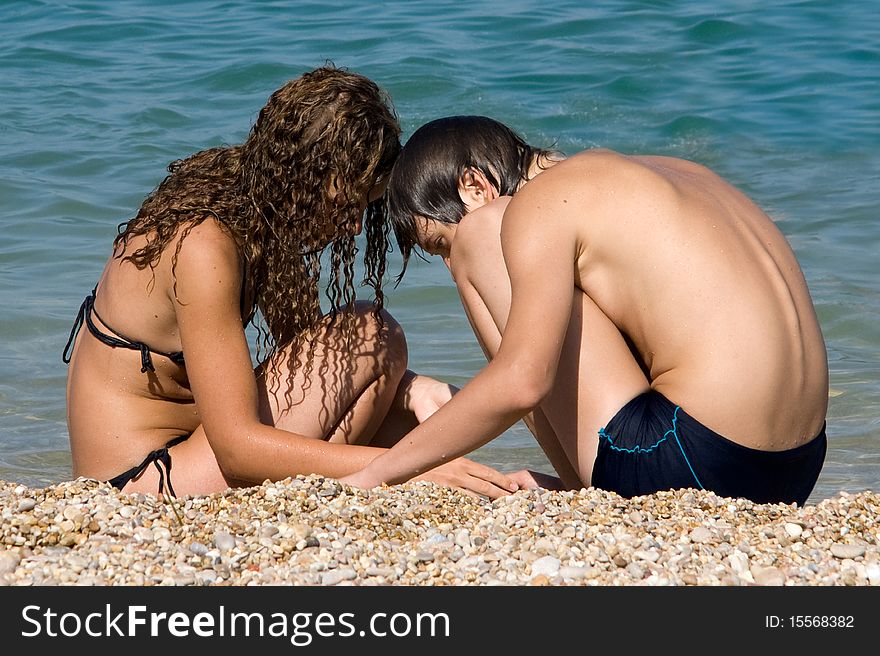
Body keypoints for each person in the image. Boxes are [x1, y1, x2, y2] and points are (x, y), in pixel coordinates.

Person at [62, 73, 517, 500]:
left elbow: (318, 367)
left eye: (366, 207)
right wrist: (403, 467)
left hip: (189, 458)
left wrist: (414, 390)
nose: (355, 227)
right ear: (303, 179)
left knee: (383, 363)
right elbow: (238, 447)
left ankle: (480, 479)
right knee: (372, 333)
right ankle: (426, 476)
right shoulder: (203, 243)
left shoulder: (251, 210)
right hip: (144, 482)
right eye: (347, 203)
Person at [341, 115, 829, 506]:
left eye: (440, 246)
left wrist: (376, 473)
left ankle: (588, 484)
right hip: (799, 468)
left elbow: (522, 381)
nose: (453, 271)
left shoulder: (538, 205)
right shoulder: (671, 174)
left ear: (474, 186)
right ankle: (588, 484)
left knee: (482, 235)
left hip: (695, 462)